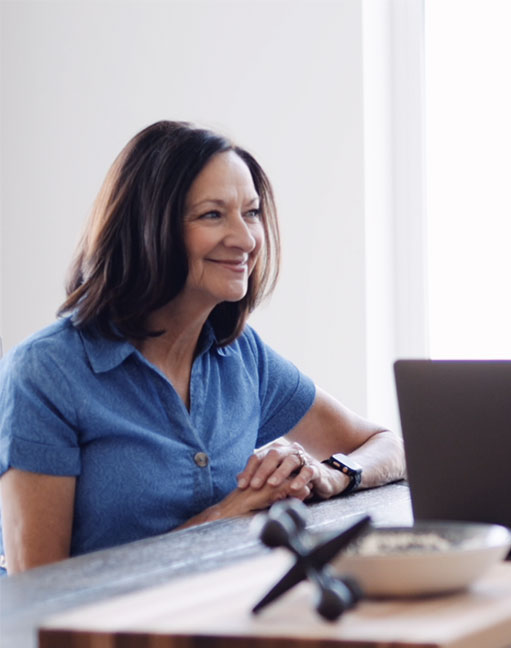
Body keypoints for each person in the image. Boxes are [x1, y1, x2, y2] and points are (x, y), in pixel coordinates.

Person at [0, 121, 406, 573]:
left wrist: (332, 473)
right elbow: (37, 594)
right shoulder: (44, 373)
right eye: (213, 215)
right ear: (147, 229)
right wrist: (223, 518)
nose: (246, 239)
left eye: (250, 213)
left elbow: (387, 445)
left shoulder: (242, 356)